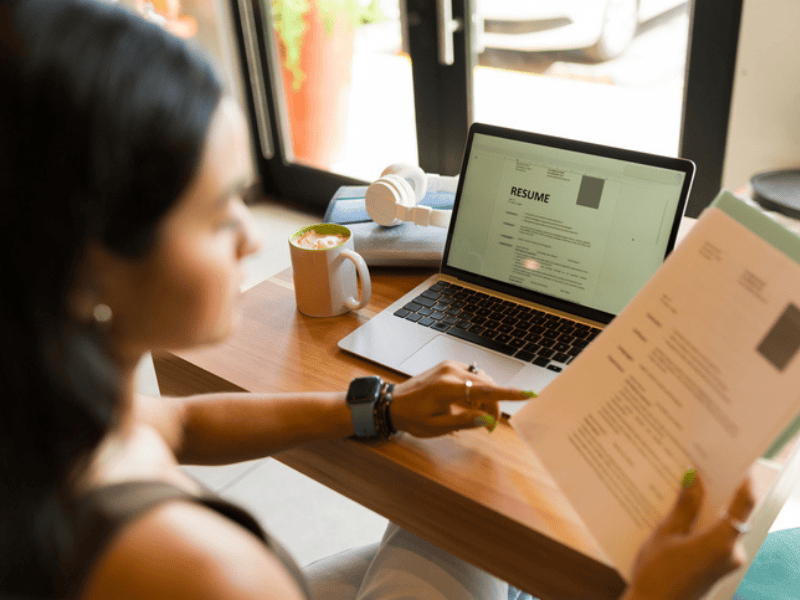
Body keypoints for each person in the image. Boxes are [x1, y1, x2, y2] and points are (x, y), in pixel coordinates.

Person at [0, 1, 755, 599]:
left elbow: (179, 421)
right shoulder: (203, 572)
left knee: (456, 522)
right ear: (89, 265)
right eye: (219, 208)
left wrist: (385, 408)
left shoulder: (56, 425)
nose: (245, 237)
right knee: (489, 532)